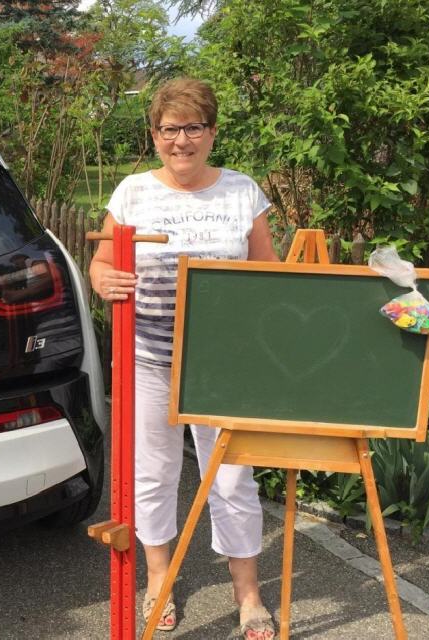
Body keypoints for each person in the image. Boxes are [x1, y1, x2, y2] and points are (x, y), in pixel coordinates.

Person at [89, 77, 280, 639]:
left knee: (232, 479)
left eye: (193, 127)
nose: (181, 140)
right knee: (154, 475)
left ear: (212, 132)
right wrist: (105, 280)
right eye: (170, 129)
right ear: (154, 136)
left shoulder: (243, 192)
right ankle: (159, 582)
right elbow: (103, 263)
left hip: (221, 367)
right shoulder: (130, 194)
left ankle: (248, 597)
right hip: (149, 359)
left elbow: (268, 274)